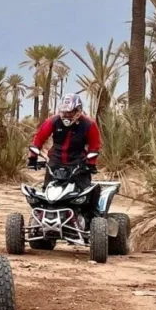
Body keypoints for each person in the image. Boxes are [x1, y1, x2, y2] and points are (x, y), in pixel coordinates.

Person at [28, 93, 102, 221]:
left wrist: (91, 164)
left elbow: (94, 146)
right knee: (47, 193)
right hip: (55, 161)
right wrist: (33, 158)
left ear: (78, 111)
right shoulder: (53, 121)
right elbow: (39, 138)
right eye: (64, 112)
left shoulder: (89, 124)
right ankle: (40, 221)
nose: (66, 115)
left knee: (87, 193)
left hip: (78, 163)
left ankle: (95, 220)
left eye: (70, 112)